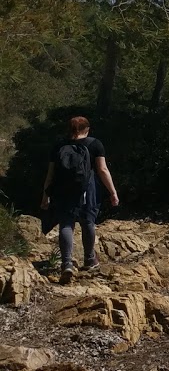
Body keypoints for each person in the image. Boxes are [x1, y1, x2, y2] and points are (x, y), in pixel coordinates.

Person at [39, 115, 119, 280]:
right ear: (87, 129)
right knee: (88, 222)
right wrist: (112, 192)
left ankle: (66, 263)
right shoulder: (94, 144)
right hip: (87, 189)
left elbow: (50, 174)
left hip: (63, 190)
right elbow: (103, 170)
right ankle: (89, 259)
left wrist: (45, 195)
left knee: (66, 224)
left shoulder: (59, 145)